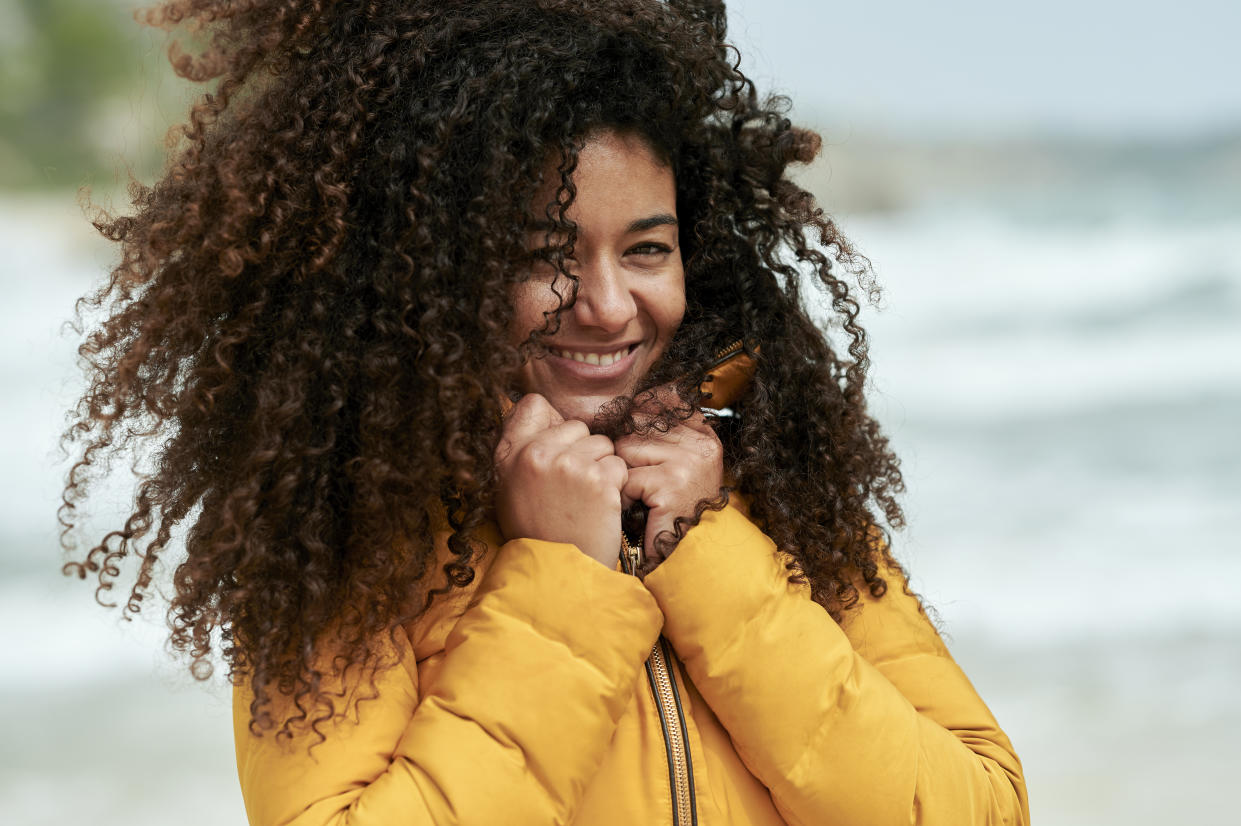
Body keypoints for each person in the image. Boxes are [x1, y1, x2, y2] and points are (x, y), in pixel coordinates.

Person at [62, 0, 1028, 823]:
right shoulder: (343, 538)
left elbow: (983, 803)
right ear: (423, 270)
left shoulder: (768, 481)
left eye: (647, 249)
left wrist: (706, 549)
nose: (607, 305)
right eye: (542, 255)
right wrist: (560, 581)